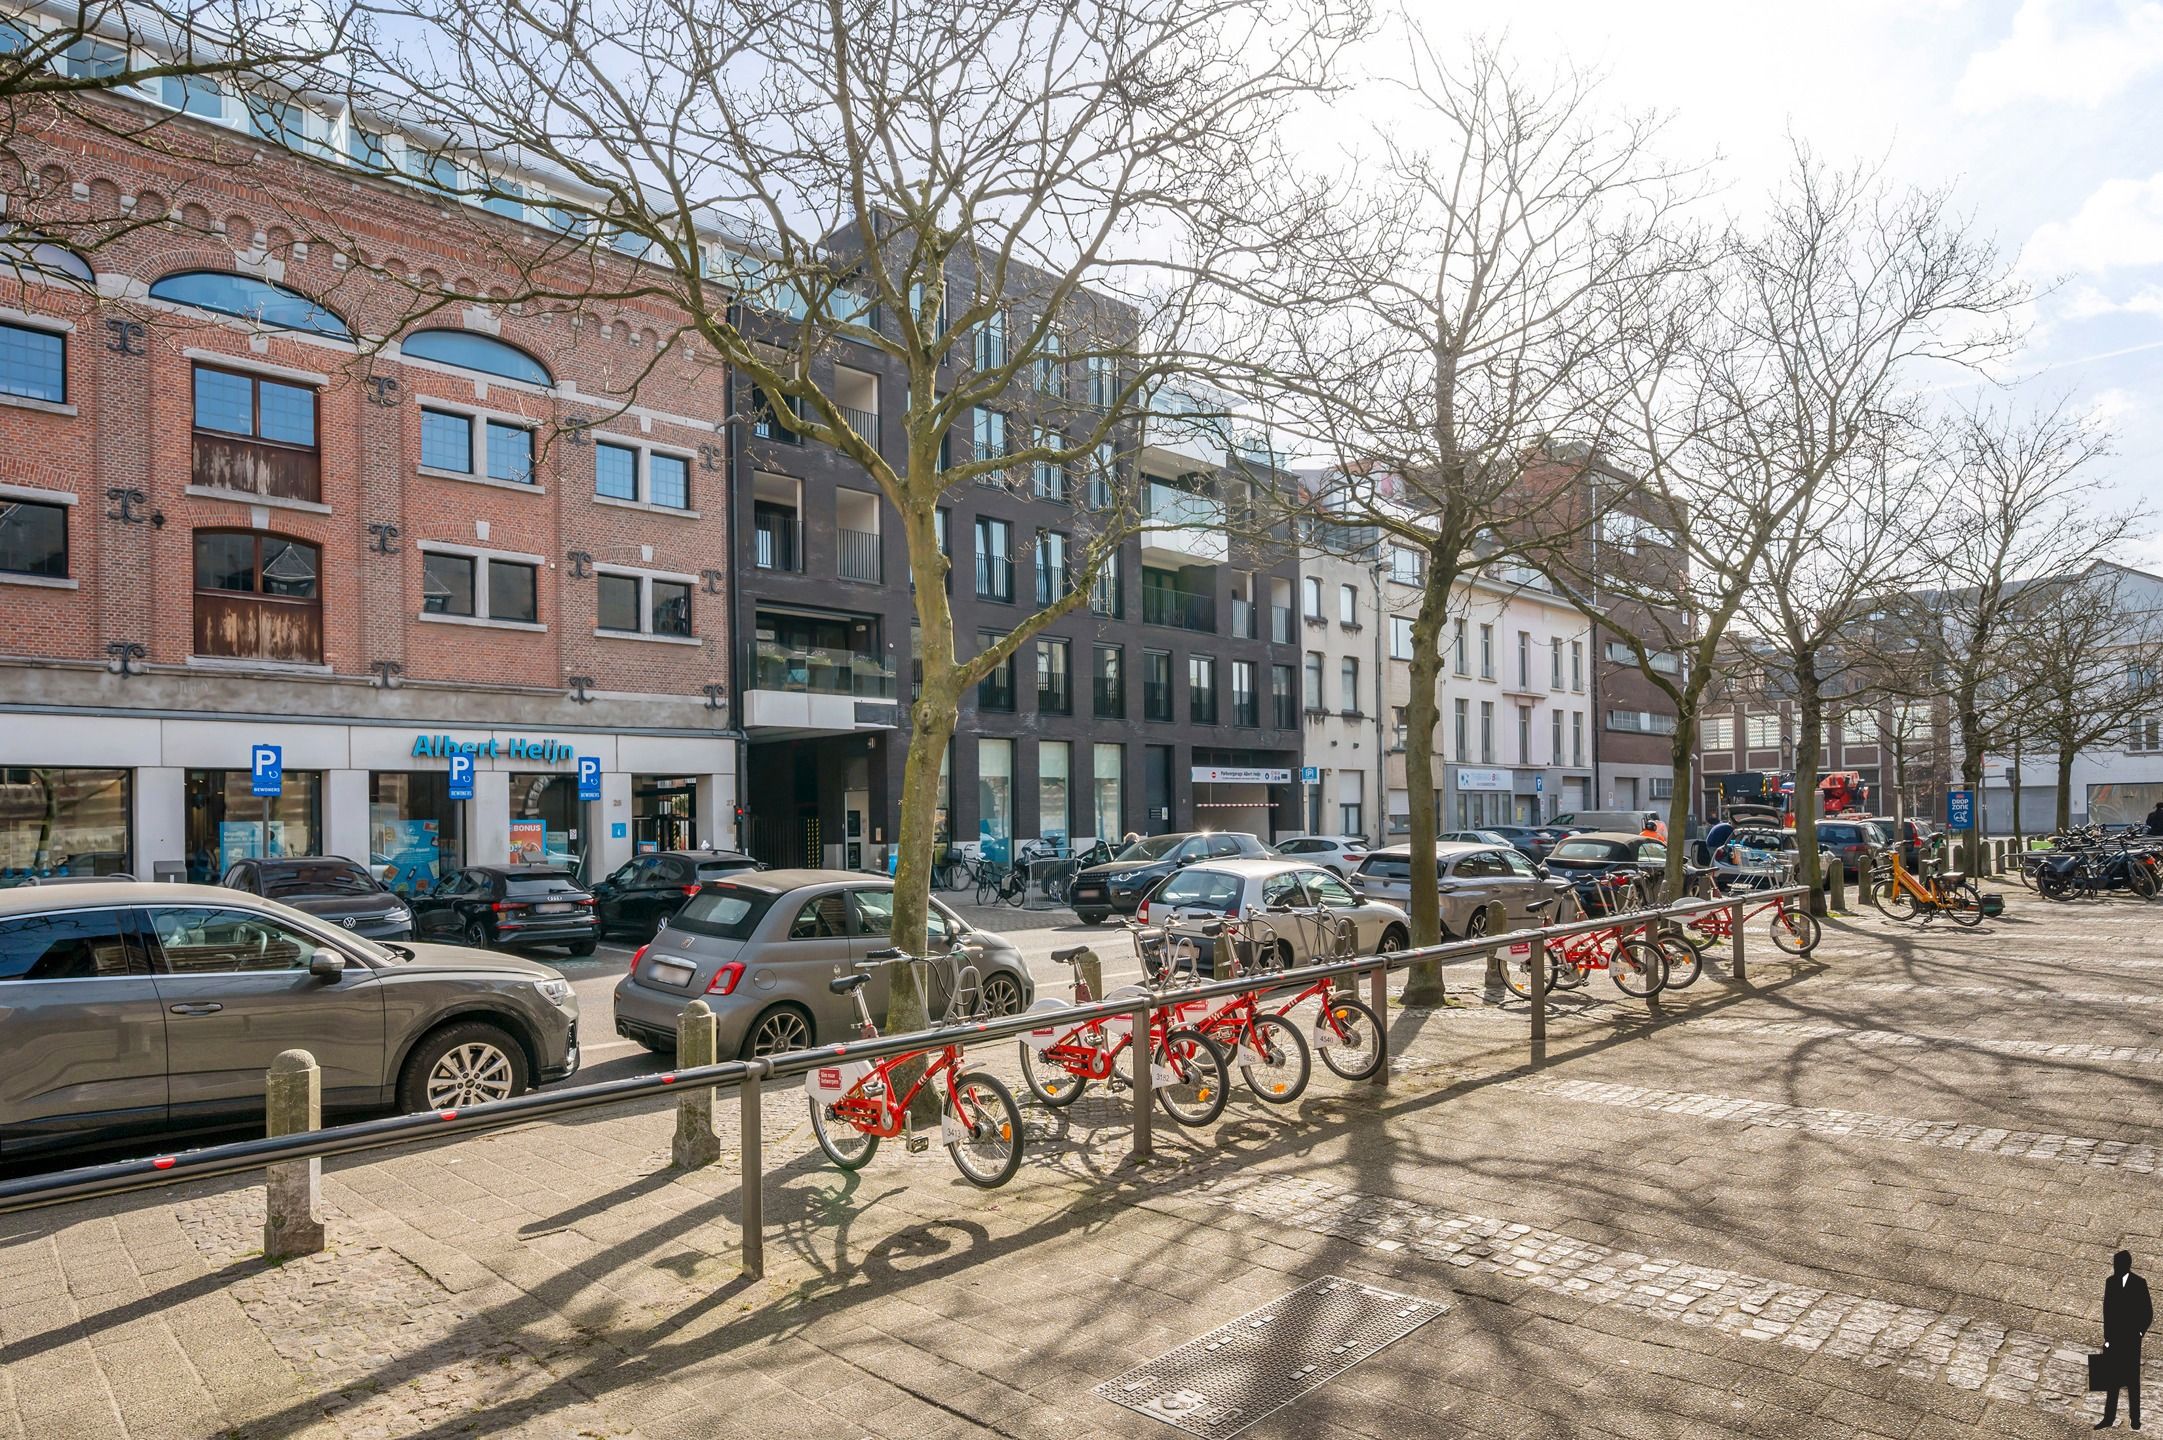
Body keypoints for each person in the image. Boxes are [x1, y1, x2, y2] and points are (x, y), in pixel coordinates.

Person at [2100, 1249, 2152, 1429]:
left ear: (2126, 1266)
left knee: (2132, 1381)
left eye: (2118, 1265)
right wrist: (2107, 1338)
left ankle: (2135, 1418)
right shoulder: (2111, 1282)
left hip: (2131, 1340)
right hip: (2114, 1339)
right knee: (2112, 1380)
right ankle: (2108, 1417)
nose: (2116, 1268)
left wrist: (2139, 1333)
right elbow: (2107, 1311)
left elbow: (2147, 1312)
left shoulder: (2139, 1283)